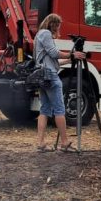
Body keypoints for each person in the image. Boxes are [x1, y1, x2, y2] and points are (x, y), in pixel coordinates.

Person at [34, 13, 86, 152]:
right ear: (52, 24)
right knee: (59, 110)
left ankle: (41, 143)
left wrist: (70, 60)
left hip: (43, 75)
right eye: (57, 25)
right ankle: (64, 142)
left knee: (44, 109)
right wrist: (71, 54)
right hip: (50, 76)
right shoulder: (45, 33)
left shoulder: (40, 34)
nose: (58, 28)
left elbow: (53, 60)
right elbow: (54, 53)